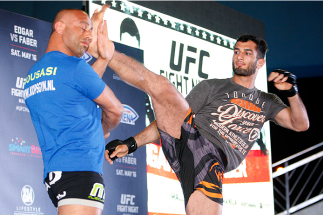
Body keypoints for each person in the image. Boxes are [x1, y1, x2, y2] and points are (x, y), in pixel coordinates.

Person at [104, 34, 309, 214]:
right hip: (192, 138)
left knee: (210, 167)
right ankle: (105, 50)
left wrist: (292, 93)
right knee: (161, 85)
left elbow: (300, 124)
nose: (239, 56)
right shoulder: (212, 86)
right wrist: (131, 143)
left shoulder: (267, 101)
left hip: (211, 160)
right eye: (237, 51)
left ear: (260, 62)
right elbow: (170, 119)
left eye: (247, 53)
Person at [24, 6, 123, 215]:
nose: (88, 35)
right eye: (83, 28)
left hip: (56, 175)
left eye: (90, 30)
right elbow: (116, 110)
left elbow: (80, 86)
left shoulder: (34, 73)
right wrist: (104, 128)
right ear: (59, 27)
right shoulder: (75, 68)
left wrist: (103, 59)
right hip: (81, 171)